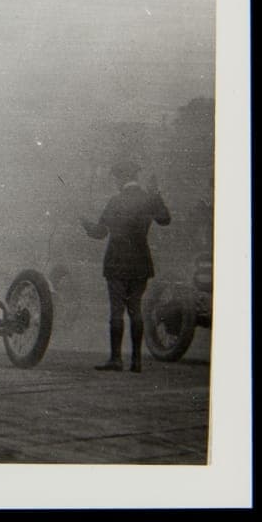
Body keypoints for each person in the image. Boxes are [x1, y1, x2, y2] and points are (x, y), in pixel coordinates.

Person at [80, 159, 172, 373]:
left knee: (116, 311)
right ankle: (137, 361)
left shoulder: (115, 202)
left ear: (121, 178)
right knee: (136, 309)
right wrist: (156, 194)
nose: (114, 182)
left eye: (115, 178)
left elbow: (100, 233)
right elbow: (165, 219)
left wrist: (84, 223)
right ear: (135, 177)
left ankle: (116, 359)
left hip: (116, 262)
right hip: (140, 262)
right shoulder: (149, 200)